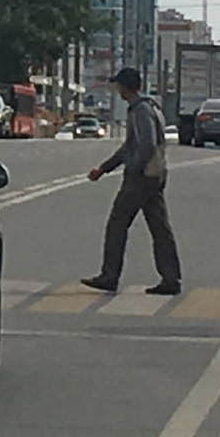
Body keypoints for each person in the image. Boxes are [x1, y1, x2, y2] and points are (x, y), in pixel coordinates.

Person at [81, 66, 183, 296]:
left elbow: (144, 145)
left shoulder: (140, 111)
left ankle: (109, 276)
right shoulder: (149, 107)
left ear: (125, 87)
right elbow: (130, 146)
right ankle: (171, 278)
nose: (115, 89)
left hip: (142, 177)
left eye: (117, 85)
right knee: (159, 228)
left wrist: (133, 170)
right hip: (155, 175)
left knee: (117, 224)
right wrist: (105, 168)